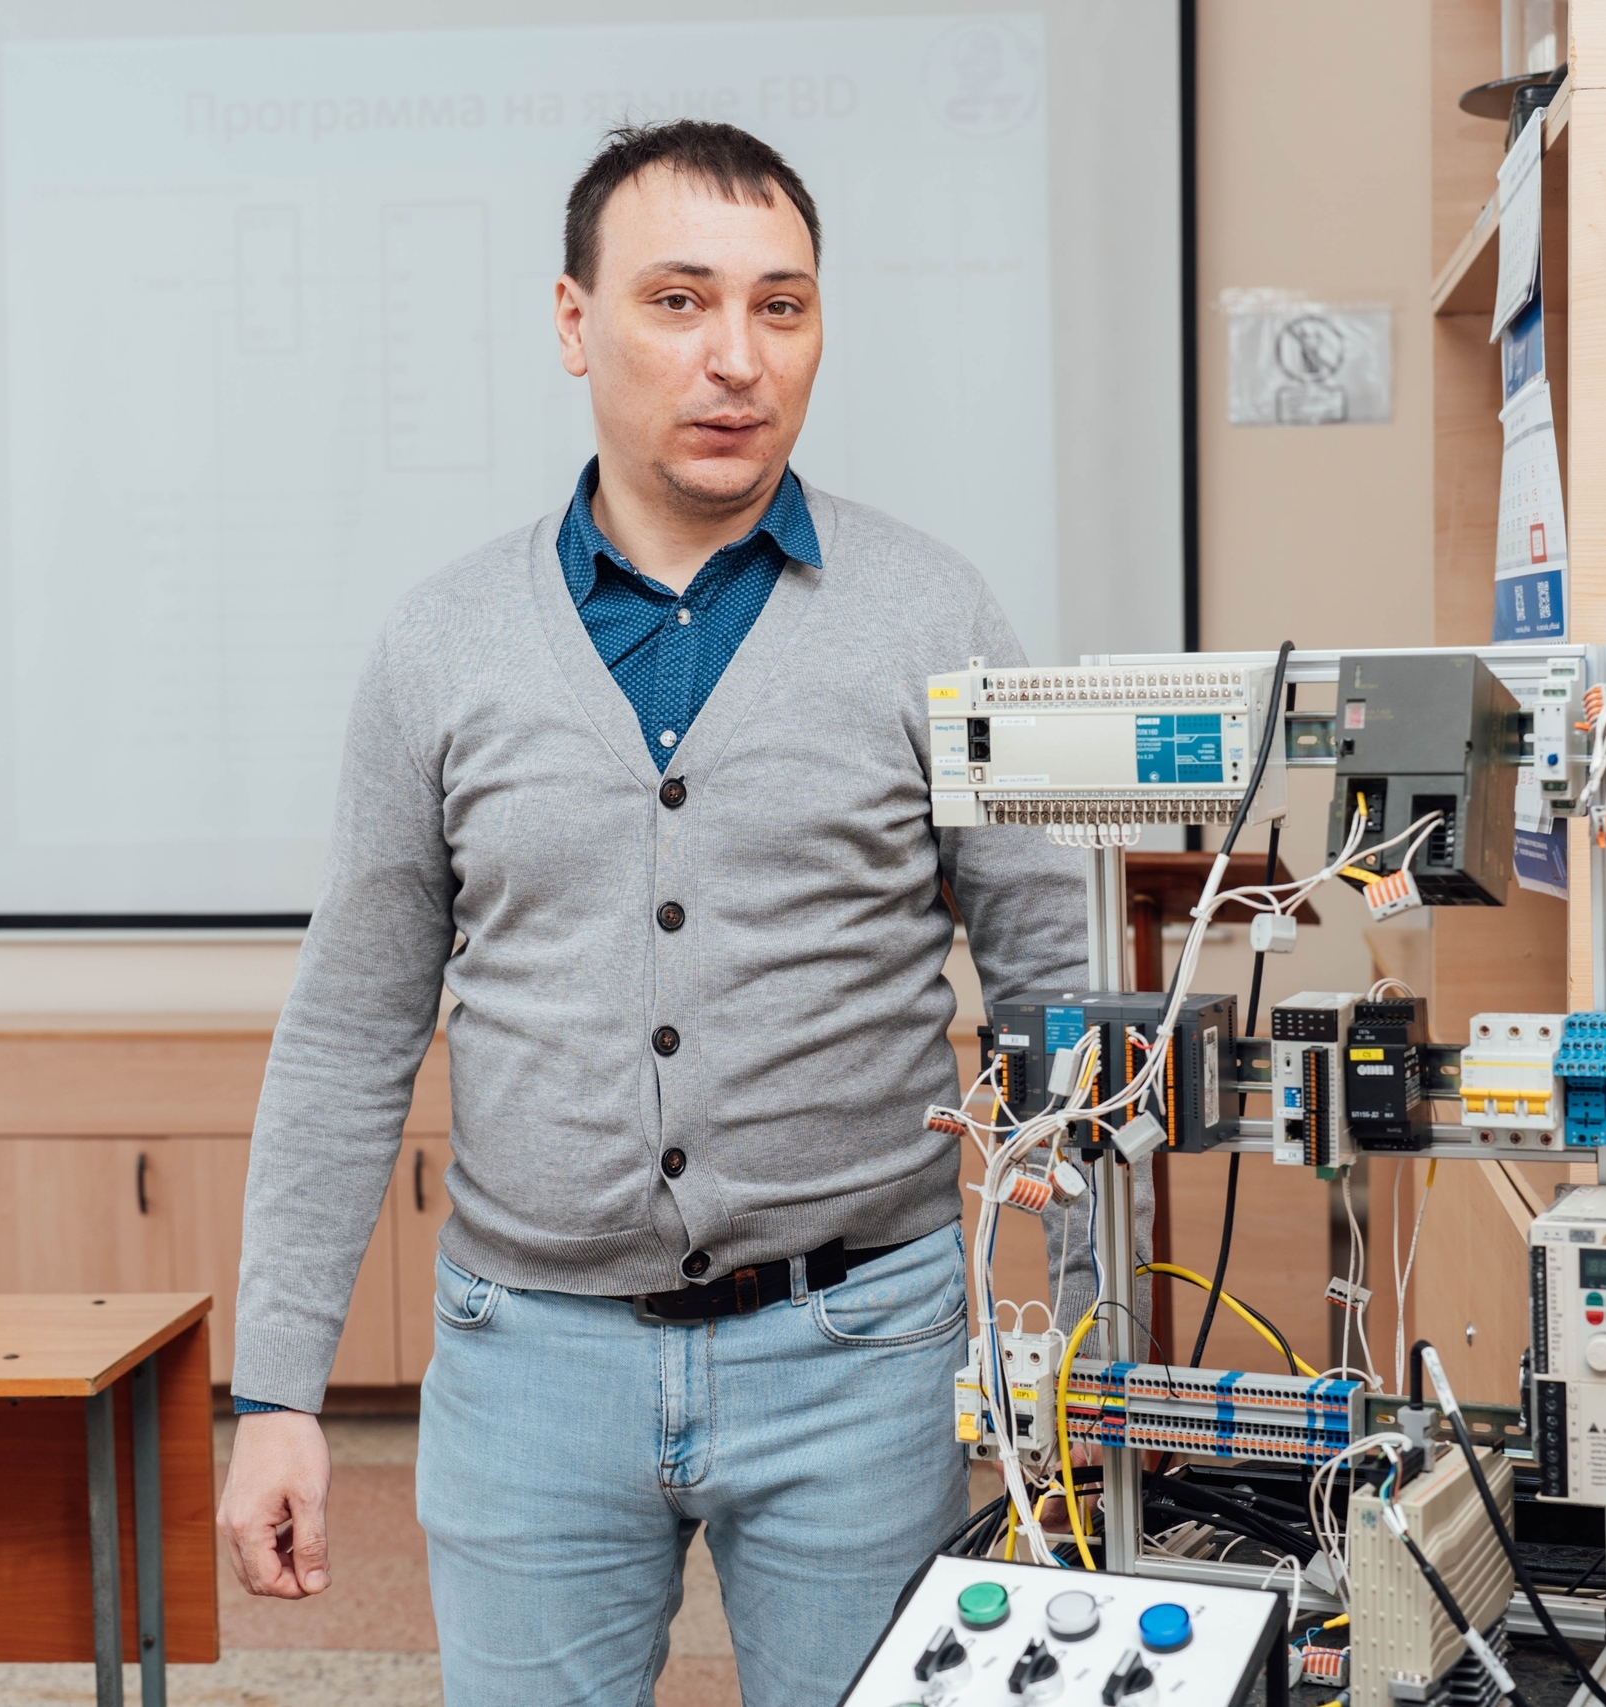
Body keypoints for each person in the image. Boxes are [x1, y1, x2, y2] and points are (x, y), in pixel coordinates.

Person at [215, 119, 1118, 1704]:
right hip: (527, 1367)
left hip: (865, 1355)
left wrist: (1093, 1350)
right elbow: (351, 1026)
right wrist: (278, 1389)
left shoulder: (940, 615)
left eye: (782, 307)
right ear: (575, 323)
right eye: (680, 301)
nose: (736, 358)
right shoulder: (438, 645)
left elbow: (1063, 988)